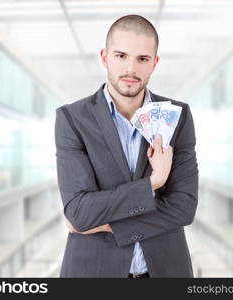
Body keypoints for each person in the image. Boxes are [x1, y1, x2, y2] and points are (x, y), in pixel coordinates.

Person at [54, 14, 198, 278]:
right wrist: (153, 183)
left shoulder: (178, 116)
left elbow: (183, 208)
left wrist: (105, 225)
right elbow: (79, 212)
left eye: (142, 59)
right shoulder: (72, 119)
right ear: (104, 57)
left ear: (154, 63)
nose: (131, 69)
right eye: (121, 56)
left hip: (165, 272)